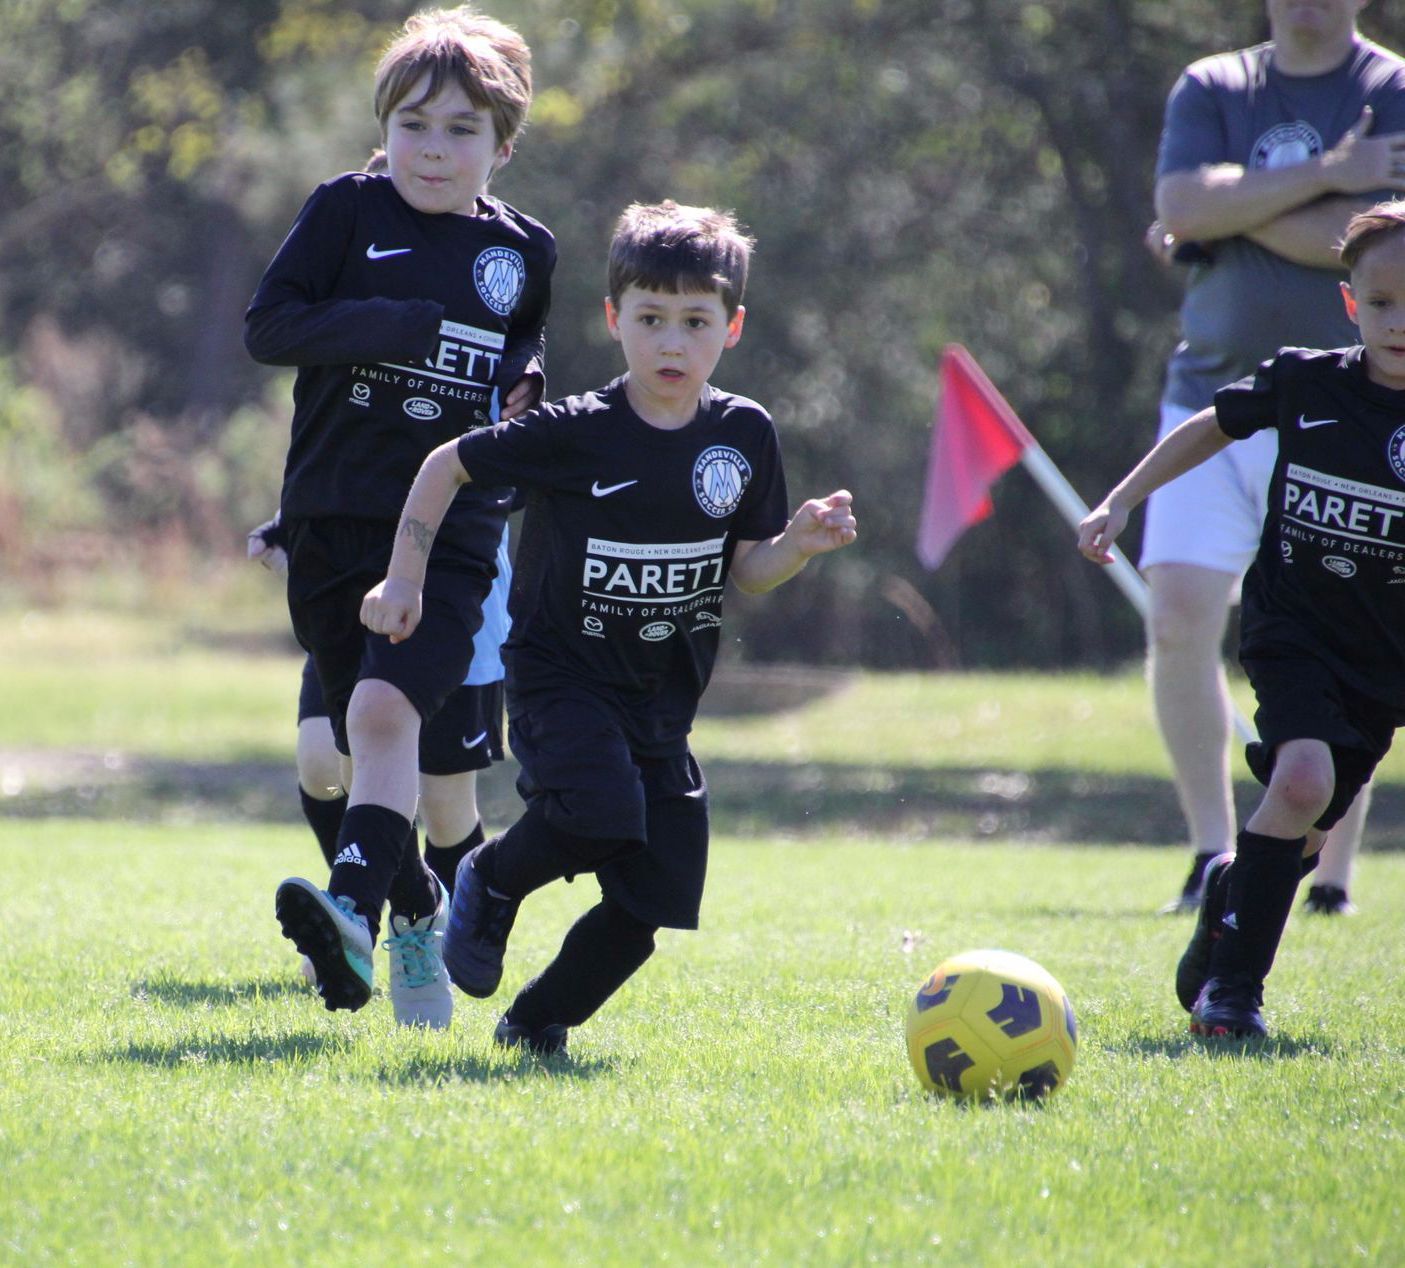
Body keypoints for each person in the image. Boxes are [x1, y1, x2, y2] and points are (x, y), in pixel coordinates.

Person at [362, 200, 858, 1056]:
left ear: (731, 328)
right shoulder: (576, 432)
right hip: (561, 676)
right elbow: (447, 463)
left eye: (695, 322)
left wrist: (798, 545)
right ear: (613, 320)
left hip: (662, 705)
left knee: (648, 904)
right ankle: (488, 875)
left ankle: (534, 1023)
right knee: (597, 811)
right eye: (652, 320)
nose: (673, 343)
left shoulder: (743, 435)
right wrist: (404, 576)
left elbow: (747, 568)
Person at [243, 5, 555, 1029]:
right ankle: (414, 903)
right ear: (384, 129)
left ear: (500, 147)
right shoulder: (344, 211)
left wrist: (523, 388)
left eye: (461, 129)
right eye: (414, 124)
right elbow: (270, 325)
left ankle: (349, 915)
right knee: (353, 735)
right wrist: (392, 323)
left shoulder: (525, 252)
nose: (433, 147)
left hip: (452, 531)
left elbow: (516, 358)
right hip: (330, 519)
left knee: (386, 721)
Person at [1079, 201, 1405, 1037]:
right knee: (1300, 783)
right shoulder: (1308, 381)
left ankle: (1229, 893)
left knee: (1298, 836)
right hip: (1293, 630)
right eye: (1380, 303)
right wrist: (1121, 502)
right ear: (1350, 304)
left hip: (1383, 663)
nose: (1397, 322)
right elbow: (1208, 425)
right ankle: (1232, 994)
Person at [1140, 0, 1405, 916]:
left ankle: (1326, 874)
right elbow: (1176, 206)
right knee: (1177, 616)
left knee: (1350, 640)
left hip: (1360, 416)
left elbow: (1376, 250)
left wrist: (1228, 212)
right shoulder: (1214, 85)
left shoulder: (1393, 87)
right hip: (1214, 395)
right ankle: (1213, 853)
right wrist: (1332, 175)